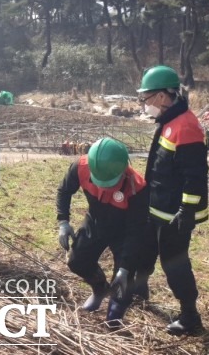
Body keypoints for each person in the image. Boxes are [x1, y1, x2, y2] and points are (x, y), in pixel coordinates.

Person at [134, 65, 208, 335]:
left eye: (147, 97)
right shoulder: (169, 122)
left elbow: (195, 174)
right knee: (144, 251)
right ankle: (138, 292)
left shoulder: (186, 126)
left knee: (174, 263)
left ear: (163, 97)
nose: (144, 104)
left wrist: (187, 210)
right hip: (158, 207)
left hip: (175, 213)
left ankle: (190, 316)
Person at [57, 138, 148, 327]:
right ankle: (99, 289)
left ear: (122, 171)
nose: (102, 187)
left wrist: (124, 268)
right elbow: (64, 191)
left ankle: (115, 314)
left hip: (124, 230)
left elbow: (136, 231)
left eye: (108, 183)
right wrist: (63, 221)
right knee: (77, 260)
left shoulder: (136, 187)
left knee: (123, 281)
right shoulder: (81, 166)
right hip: (97, 220)